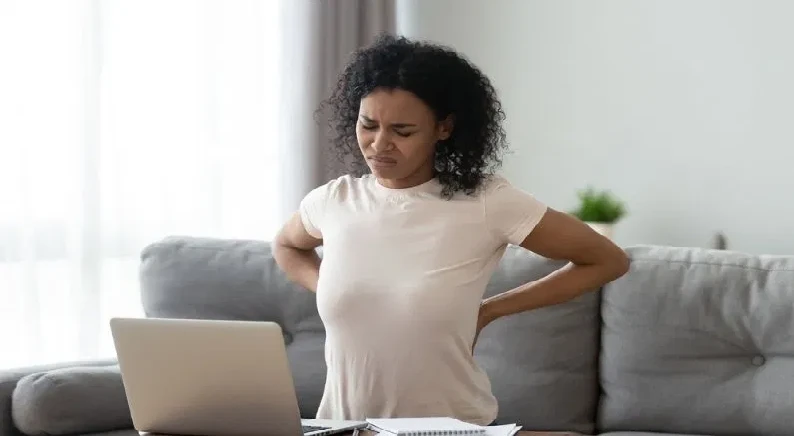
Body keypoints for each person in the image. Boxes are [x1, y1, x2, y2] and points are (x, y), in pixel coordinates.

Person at [273, 34, 629, 426]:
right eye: (368, 125)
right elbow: (287, 246)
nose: (379, 144)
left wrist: (491, 310)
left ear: (443, 128)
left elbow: (607, 260)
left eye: (402, 131)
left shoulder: (487, 202)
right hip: (343, 428)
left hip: (450, 428)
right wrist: (325, 284)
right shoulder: (333, 200)